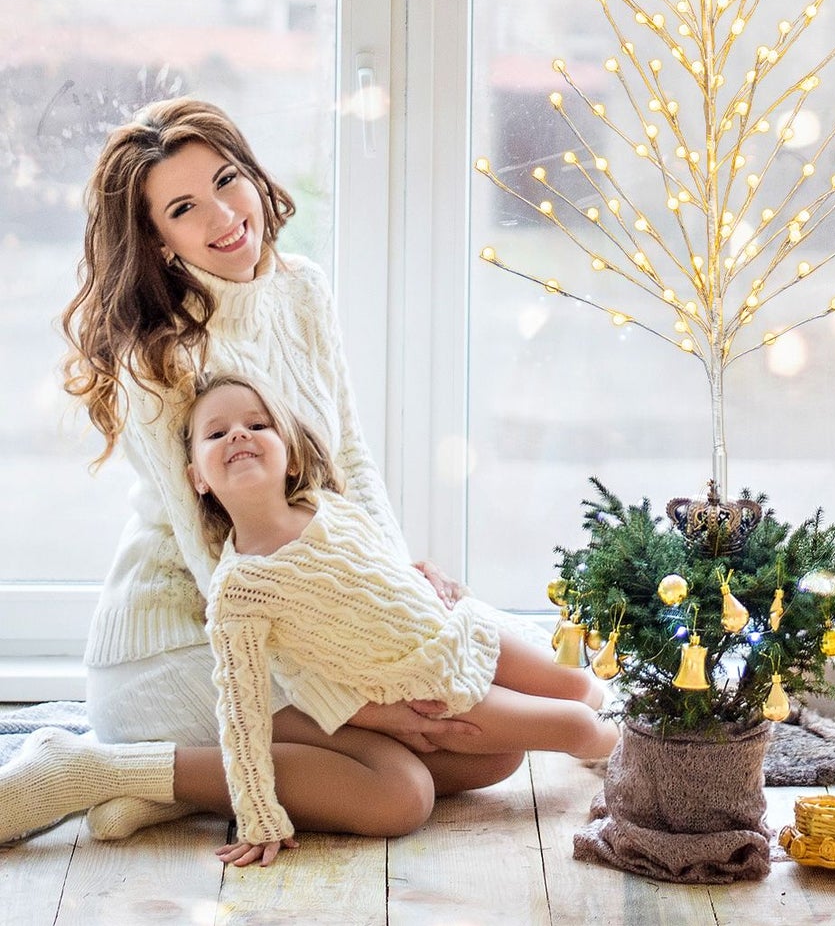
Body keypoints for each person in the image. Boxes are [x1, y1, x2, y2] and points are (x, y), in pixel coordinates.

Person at [0, 98, 567, 848]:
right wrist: (361, 701)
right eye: (183, 207)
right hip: (194, 639)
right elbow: (218, 572)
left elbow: (349, 463)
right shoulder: (161, 360)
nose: (224, 214)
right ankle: (94, 769)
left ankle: (175, 784)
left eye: (228, 179)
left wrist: (392, 585)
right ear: (159, 241)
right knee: (399, 793)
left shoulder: (302, 290)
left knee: (494, 749)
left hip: (306, 610)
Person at [183, 372, 617, 866]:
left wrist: (423, 576)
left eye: (256, 424)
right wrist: (258, 813)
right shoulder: (238, 589)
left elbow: (375, 579)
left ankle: (644, 720)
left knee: (580, 688)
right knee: (580, 727)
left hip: (462, 630)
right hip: (429, 688)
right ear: (198, 477)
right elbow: (241, 711)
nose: (238, 434)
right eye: (216, 434)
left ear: (292, 456)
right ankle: (654, 756)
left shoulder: (327, 506)